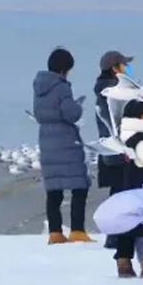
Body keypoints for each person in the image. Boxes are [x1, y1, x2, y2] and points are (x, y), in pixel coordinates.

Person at [33, 47, 94, 243]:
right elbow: (71, 114)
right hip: (65, 140)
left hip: (46, 140)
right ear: (63, 69)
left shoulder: (39, 87)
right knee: (79, 184)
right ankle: (77, 230)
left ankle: (55, 232)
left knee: (54, 188)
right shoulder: (61, 86)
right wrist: (78, 105)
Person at [93, 50, 134, 248]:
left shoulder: (104, 90)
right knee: (123, 192)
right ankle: (118, 237)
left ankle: (115, 235)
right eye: (124, 65)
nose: (127, 68)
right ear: (114, 68)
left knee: (118, 192)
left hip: (109, 149)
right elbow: (117, 122)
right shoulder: (113, 92)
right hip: (119, 149)